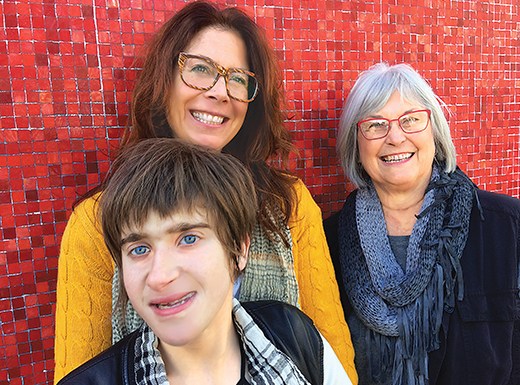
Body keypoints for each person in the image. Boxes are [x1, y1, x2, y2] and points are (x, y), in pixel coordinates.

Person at [53, 1, 357, 383]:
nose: (219, 92)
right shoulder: (98, 221)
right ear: (164, 82)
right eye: (200, 69)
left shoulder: (289, 205)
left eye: (237, 78)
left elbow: (331, 356)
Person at [56, 138, 352, 385]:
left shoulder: (295, 336)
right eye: (139, 249)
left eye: (188, 238)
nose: (159, 276)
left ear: (239, 249)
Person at [324, 62, 520, 385]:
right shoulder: (328, 244)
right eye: (375, 125)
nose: (395, 137)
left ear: (435, 133)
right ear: (356, 146)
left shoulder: (506, 230)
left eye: (411, 120)